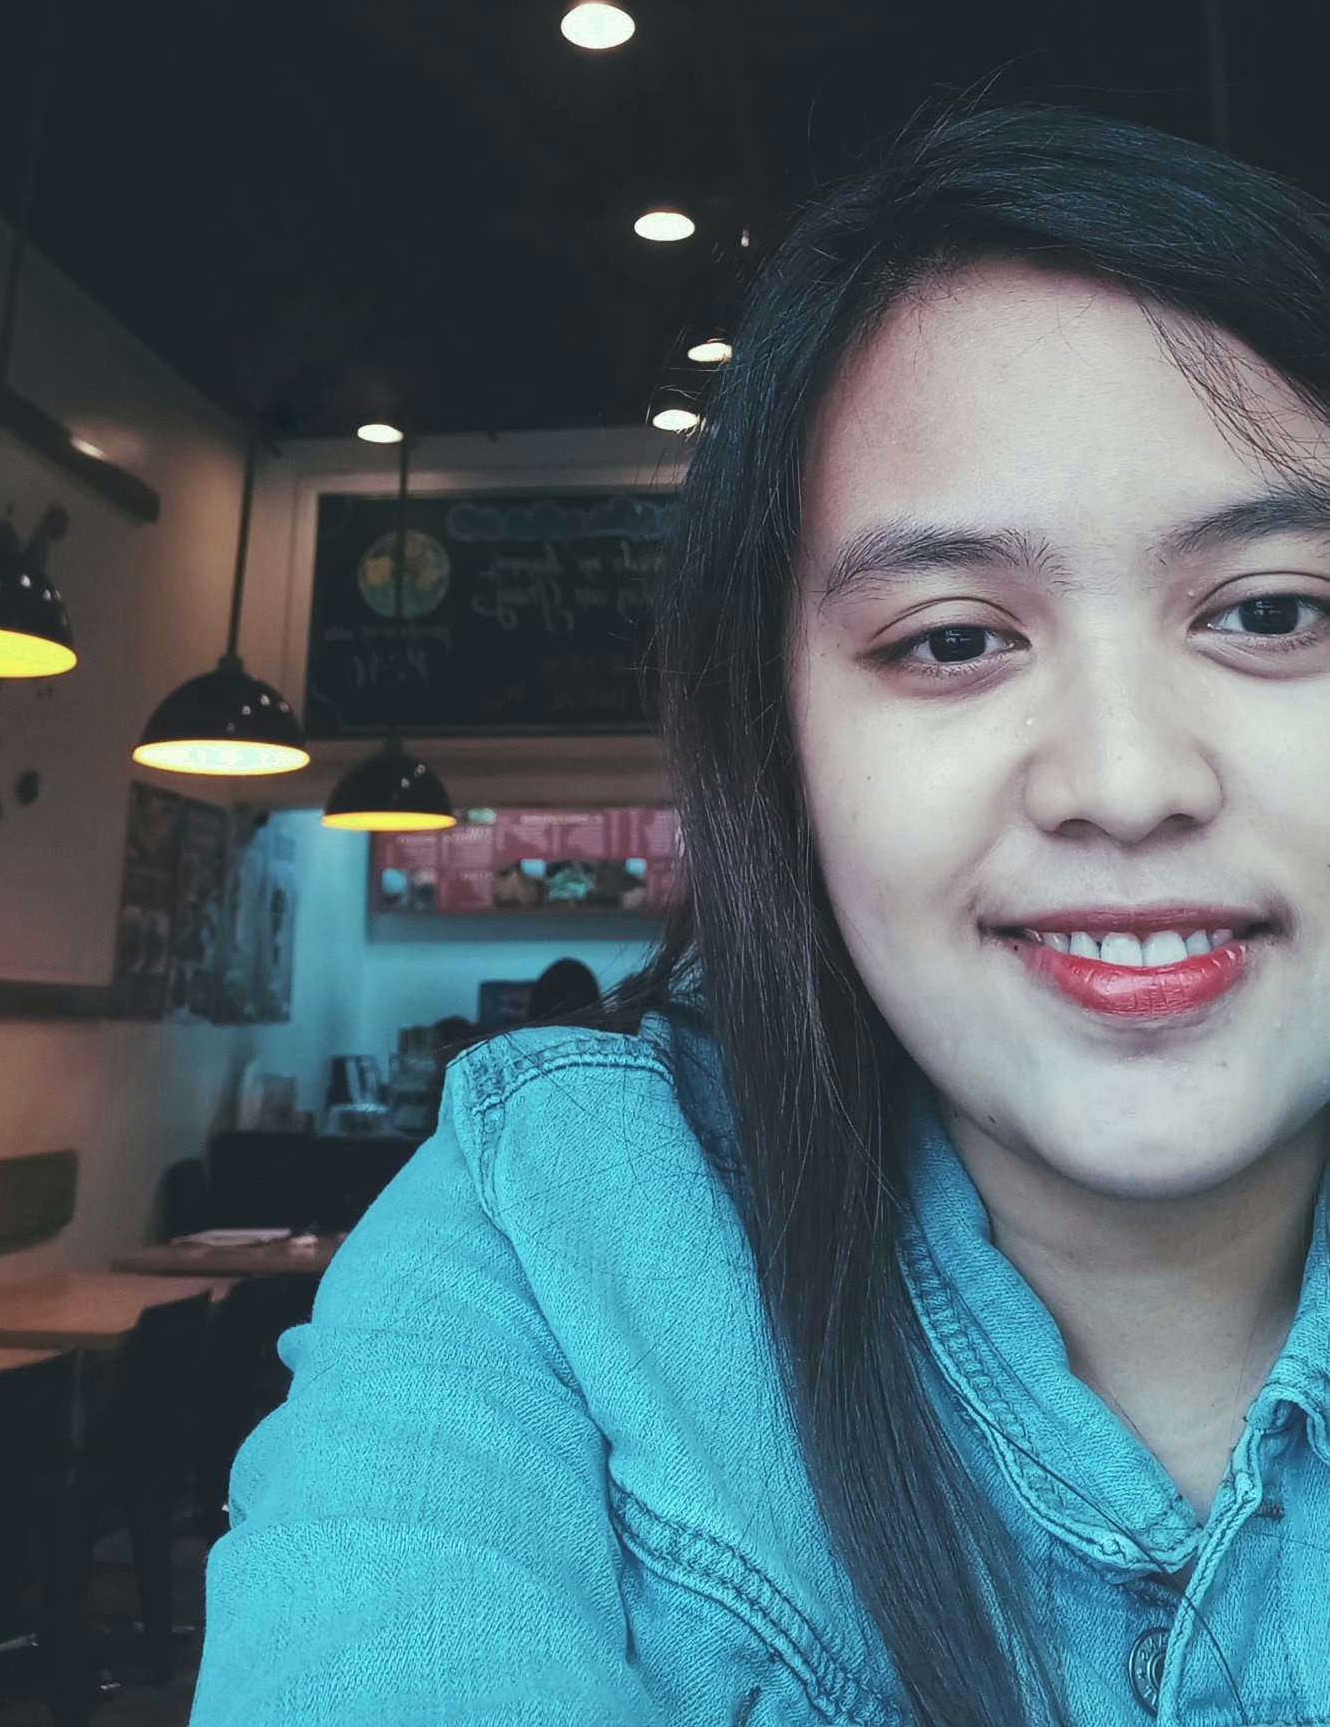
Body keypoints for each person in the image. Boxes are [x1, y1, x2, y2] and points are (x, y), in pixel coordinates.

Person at [190, 87, 1330, 1725]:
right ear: (780, 745)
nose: (1127, 779)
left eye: (1273, 611)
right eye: (952, 638)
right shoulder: (558, 1229)